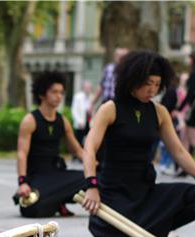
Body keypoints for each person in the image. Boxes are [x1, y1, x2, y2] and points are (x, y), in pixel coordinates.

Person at [80, 50, 195, 237]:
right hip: (114, 193)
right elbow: (89, 149)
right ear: (133, 80)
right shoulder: (110, 108)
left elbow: (179, 152)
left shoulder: (159, 111)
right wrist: (91, 186)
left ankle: (147, 229)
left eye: (157, 84)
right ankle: (146, 229)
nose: (153, 90)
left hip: (145, 191)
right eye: (148, 84)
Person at [16, 71, 86, 218]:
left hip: (57, 174)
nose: (59, 96)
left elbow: (78, 150)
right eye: (54, 92)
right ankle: (57, 202)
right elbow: (22, 154)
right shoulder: (30, 120)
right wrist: (22, 182)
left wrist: (96, 167)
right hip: (37, 177)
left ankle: (56, 201)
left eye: (61, 92)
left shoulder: (63, 121)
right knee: (31, 210)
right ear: (42, 94)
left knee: (93, 178)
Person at [89, 47, 129, 115]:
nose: (120, 58)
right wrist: (92, 103)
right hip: (106, 102)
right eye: (118, 55)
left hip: (121, 104)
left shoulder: (129, 71)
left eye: (122, 56)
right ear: (115, 56)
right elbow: (101, 86)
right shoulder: (108, 68)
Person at [71, 80, 92, 146]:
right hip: (80, 122)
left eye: (89, 88)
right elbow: (74, 110)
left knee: (88, 139)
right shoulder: (78, 97)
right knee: (78, 140)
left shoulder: (91, 97)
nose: (88, 89)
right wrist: (78, 121)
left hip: (88, 121)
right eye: (86, 87)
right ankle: (75, 155)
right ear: (84, 88)